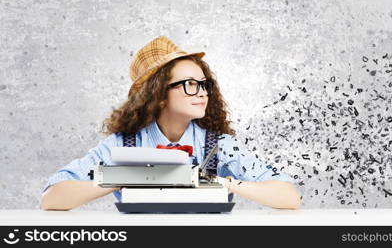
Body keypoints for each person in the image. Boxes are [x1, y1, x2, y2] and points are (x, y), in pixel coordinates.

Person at [40, 36, 301, 211]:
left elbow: (289, 196)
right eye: (189, 84)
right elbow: (52, 198)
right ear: (159, 96)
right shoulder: (123, 145)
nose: (202, 92)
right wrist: (122, 179)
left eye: (203, 84)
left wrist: (225, 183)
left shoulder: (219, 146)